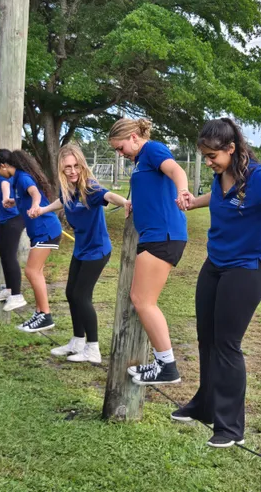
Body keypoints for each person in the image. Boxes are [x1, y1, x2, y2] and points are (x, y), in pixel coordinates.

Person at [173, 118, 261, 448]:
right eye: (205, 157)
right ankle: (205, 404)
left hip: (247, 268)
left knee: (226, 343)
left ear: (231, 148)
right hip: (215, 264)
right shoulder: (222, 174)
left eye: (212, 156)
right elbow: (222, 195)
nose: (208, 162)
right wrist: (196, 202)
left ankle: (230, 426)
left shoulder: (259, 177)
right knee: (206, 337)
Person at [108, 117, 192, 385]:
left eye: (120, 148)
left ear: (134, 137)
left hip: (164, 235)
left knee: (143, 300)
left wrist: (183, 191)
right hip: (152, 235)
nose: (120, 154)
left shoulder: (152, 150)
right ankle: (162, 363)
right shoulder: (139, 161)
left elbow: (176, 171)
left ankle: (166, 366)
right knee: (140, 299)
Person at [29, 144, 130, 364]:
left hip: (97, 250)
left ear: (82, 165)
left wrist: (125, 202)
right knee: (70, 292)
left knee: (82, 296)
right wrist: (43, 210)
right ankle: (77, 340)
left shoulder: (89, 188)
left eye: (76, 166)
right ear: (62, 169)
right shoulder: (68, 188)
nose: (73, 171)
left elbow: (108, 195)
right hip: (81, 249)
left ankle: (92, 349)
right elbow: (62, 201)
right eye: (68, 167)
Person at [0, 149, 63, 332]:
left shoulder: (22, 177)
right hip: (39, 232)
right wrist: (14, 202)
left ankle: (45, 315)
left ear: (3, 166)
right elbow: (24, 196)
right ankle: (39, 314)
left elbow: (35, 194)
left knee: (32, 271)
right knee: (35, 271)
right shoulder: (16, 179)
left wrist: (35, 206)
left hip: (46, 230)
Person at [0, 163, 28, 312]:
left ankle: (16, 295)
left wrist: (6, 197)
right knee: (4, 254)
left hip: (14, 218)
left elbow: (5, 185)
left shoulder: (2, 175)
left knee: (10, 255)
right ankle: (10, 289)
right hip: (5, 219)